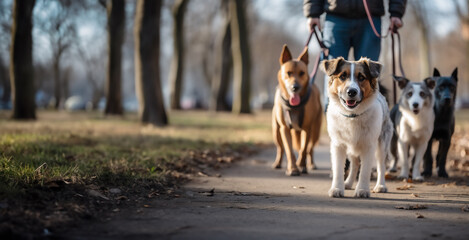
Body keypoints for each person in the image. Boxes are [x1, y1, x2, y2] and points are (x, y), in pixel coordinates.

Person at [303, 0, 407, 62]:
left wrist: (396, 12)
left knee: (369, 74)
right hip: (335, 17)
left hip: (371, 18)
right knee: (333, 75)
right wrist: (312, 12)